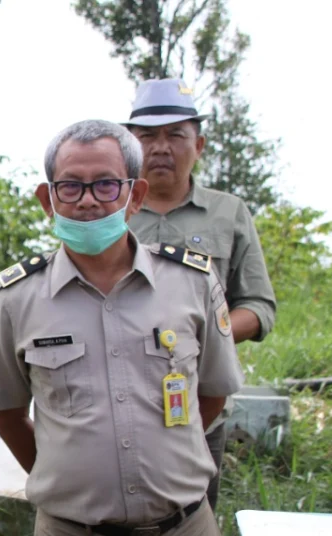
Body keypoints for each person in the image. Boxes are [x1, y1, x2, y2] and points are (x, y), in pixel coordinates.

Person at [0, 119, 244, 536]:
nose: (89, 201)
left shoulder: (191, 282)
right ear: (47, 200)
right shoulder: (16, 298)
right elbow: (6, 411)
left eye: (106, 184)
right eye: (70, 187)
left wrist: (165, 461)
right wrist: (69, 475)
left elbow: (210, 396)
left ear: (134, 193)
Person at [124, 78, 277, 508]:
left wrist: (205, 330)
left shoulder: (228, 213)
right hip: (117, 403)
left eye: (175, 135)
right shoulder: (108, 212)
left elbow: (259, 307)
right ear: (129, 148)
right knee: (110, 525)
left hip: (199, 408)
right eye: (147, 137)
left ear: (199, 145)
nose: (160, 147)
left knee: (191, 523)